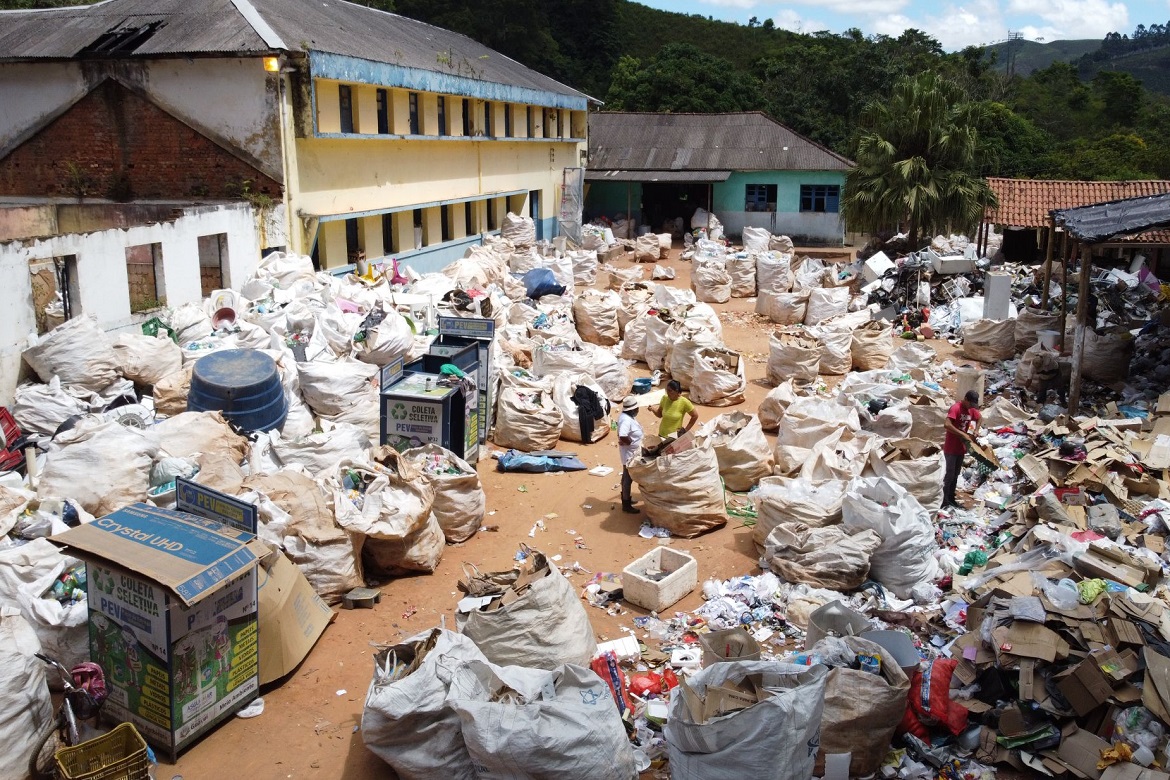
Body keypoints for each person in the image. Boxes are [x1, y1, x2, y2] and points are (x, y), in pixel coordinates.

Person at [942, 390, 982, 509]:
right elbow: (947, 424)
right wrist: (962, 434)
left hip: (961, 448)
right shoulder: (956, 408)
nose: (971, 407)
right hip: (951, 448)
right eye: (970, 404)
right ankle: (943, 501)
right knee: (948, 475)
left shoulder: (971, 410)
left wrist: (976, 430)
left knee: (955, 475)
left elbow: (980, 418)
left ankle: (951, 498)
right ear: (965, 399)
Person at [617, 396, 644, 514]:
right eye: (636, 408)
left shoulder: (628, 417)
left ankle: (626, 497)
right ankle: (626, 504)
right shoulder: (626, 420)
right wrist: (629, 443)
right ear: (632, 409)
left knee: (626, 476)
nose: (638, 410)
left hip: (631, 452)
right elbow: (623, 435)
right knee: (628, 477)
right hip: (629, 453)